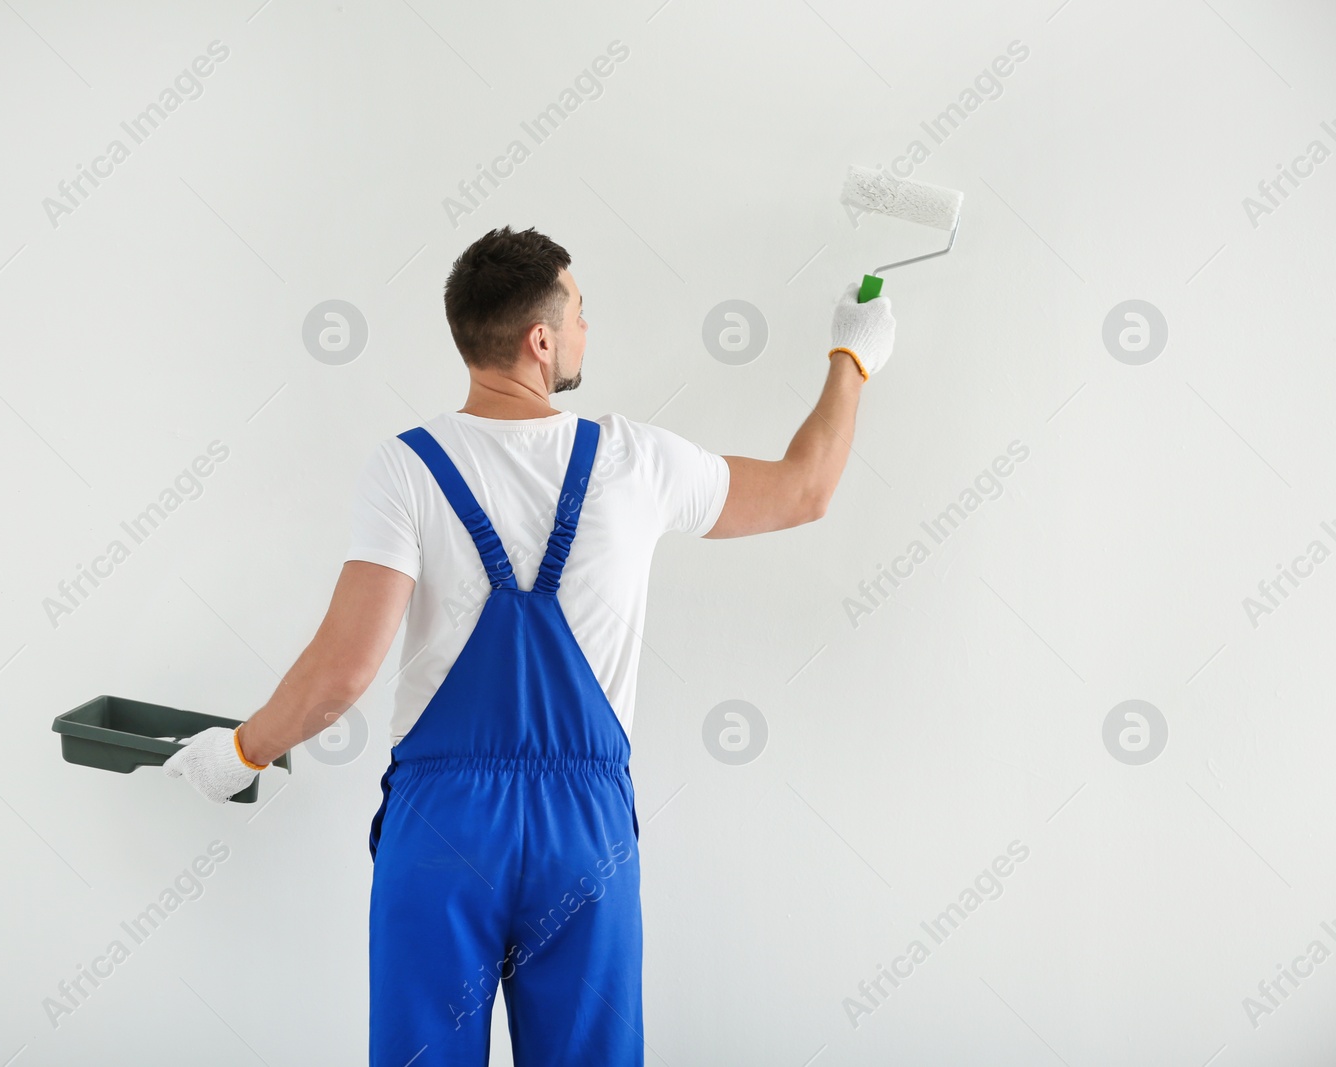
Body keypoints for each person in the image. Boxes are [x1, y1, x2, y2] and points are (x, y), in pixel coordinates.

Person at [165, 225, 895, 1065]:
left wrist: (240, 753)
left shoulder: (404, 468)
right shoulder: (636, 461)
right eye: (581, 311)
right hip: (582, 833)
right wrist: (852, 357)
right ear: (540, 339)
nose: (588, 327)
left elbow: (342, 673)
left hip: (440, 829)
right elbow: (806, 488)